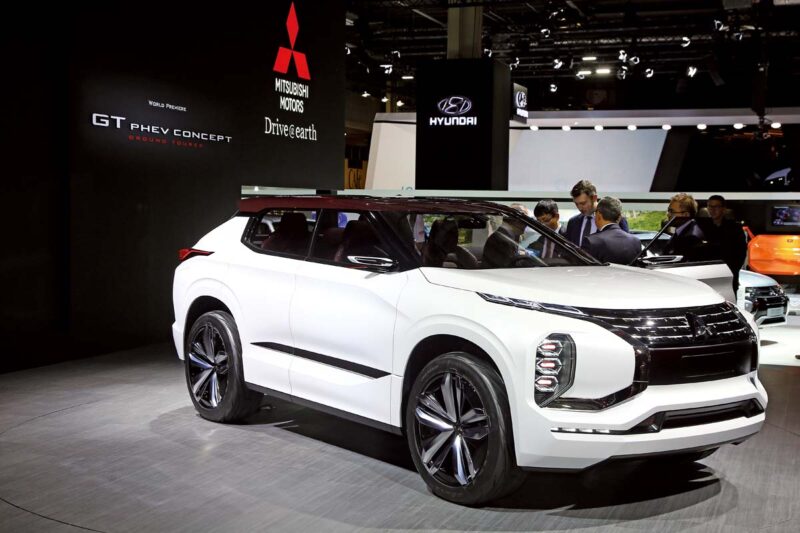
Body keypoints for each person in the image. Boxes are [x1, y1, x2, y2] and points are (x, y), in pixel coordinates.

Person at [702, 195, 747, 292]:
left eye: (716, 206)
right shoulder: (702, 227)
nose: (713, 210)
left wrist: (733, 270)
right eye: (710, 206)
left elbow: (741, 252)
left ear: (723, 209)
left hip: (729, 274)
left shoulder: (734, 228)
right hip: (707, 274)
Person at [565, 180, 629, 247]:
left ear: (594, 198)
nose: (580, 208)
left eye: (583, 203)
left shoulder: (616, 218)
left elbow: (625, 246)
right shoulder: (573, 222)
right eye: (576, 204)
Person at [581, 197, 642, 264]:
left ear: (598, 215)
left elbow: (583, 269)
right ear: (619, 217)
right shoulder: (636, 242)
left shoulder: (591, 241)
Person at [662, 192, 707, 260]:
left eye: (671, 211)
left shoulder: (692, 237)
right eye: (668, 211)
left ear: (686, 215)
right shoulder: (680, 232)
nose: (668, 214)